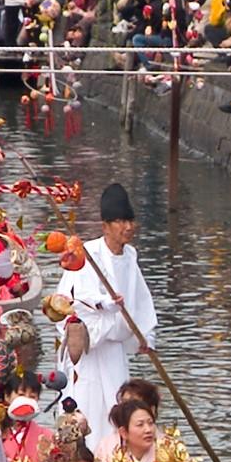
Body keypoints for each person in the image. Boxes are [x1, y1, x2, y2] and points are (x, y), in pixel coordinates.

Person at [55, 183, 159, 432]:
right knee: (87, 411)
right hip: (90, 352)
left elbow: (141, 301)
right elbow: (70, 302)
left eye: (130, 221)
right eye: (121, 221)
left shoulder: (130, 256)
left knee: (118, 408)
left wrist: (145, 336)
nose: (128, 227)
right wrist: (106, 310)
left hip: (115, 353)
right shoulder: (86, 255)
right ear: (105, 226)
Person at [94, 396, 156, 462]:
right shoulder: (106, 450)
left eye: (150, 423)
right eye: (140, 424)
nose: (148, 430)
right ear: (124, 432)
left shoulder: (165, 448)